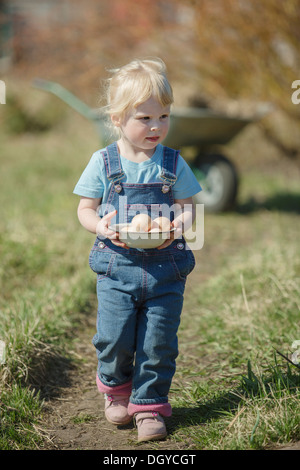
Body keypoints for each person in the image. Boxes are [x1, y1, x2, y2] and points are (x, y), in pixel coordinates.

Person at [73, 58, 202, 442]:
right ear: (117, 118)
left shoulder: (173, 162)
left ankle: (149, 405)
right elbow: (85, 209)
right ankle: (116, 389)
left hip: (166, 271)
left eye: (164, 116)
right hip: (117, 268)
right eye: (145, 118)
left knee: (158, 341)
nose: (156, 126)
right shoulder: (103, 162)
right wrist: (102, 226)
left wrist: (179, 223)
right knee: (114, 337)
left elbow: (189, 205)